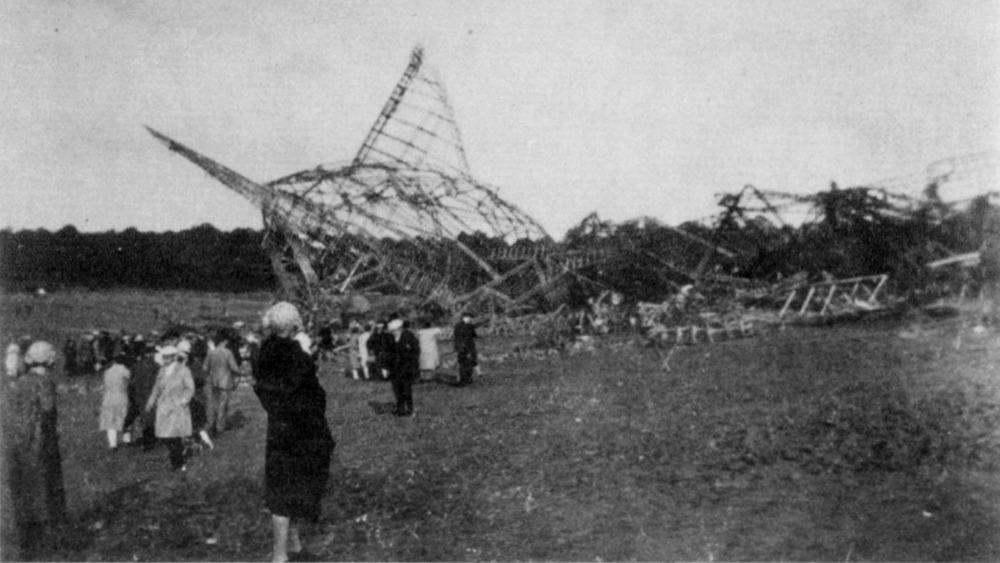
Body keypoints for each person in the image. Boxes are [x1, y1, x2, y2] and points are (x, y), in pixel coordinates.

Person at [254, 302, 335, 563]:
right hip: (302, 430)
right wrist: (305, 355)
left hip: (278, 428)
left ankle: (293, 545)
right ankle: (280, 555)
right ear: (292, 325)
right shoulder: (296, 356)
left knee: (281, 487)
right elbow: (313, 394)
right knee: (292, 489)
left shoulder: (263, 353)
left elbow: (265, 390)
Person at [0, 341, 66, 557]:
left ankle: (27, 542)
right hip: (41, 444)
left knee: (24, 491)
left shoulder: (19, 383)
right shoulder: (44, 382)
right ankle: (49, 542)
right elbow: (47, 411)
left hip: (18, 446)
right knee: (46, 489)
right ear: (48, 359)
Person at [145, 346, 195, 471]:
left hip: (177, 406)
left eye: (167, 357)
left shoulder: (183, 370)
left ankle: (177, 462)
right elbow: (156, 388)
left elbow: (190, 388)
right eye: (164, 357)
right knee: (166, 436)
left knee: (174, 435)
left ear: (174, 357)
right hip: (164, 406)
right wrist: (151, 401)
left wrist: (184, 401)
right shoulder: (162, 370)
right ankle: (177, 458)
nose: (165, 360)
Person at [203, 333, 241, 436]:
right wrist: (239, 373)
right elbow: (234, 368)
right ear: (224, 341)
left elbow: (205, 368)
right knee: (223, 404)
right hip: (225, 381)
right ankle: (220, 427)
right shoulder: (228, 353)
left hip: (213, 381)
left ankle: (211, 423)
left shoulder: (211, 352)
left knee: (213, 404)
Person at [387, 319, 420, 416]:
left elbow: (415, 352)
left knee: (406, 390)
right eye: (392, 331)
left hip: (406, 368)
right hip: (394, 368)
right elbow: (387, 353)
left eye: (395, 330)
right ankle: (400, 409)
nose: (393, 332)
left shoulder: (409, 337)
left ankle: (410, 409)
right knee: (397, 389)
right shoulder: (390, 338)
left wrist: (412, 365)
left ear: (400, 329)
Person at [98, 352, 130, 450]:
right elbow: (129, 381)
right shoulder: (125, 370)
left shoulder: (108, 371)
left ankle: (113, 444)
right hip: (121, 396)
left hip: (108, 397)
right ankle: (127, 440)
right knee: (125, 417)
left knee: (110, 420)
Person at [453, 314, 479, 387]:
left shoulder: (457, 326)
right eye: (469, 318)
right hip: (468, 347)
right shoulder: (468, 326)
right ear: (465, 318)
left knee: (462, 363)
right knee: (467, 364)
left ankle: (464, 379)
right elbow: (474, 335)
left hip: (461, 347)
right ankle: (466, 380)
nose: (470, 319)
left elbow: (456, 337)